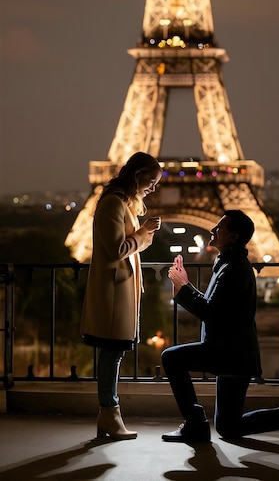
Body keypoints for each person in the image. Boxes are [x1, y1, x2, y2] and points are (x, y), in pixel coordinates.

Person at [161, 210, 279, 446]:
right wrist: (185, 287)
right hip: (234, 353)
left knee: (171, 358)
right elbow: (216, 307)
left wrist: (184, 288)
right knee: (228, 427)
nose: (213, 229)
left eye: (220, 227)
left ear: (233, 237)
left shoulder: (232, 268)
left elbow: (211, 313)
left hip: (227, 353)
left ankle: (194, 423)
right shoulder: (229, 263)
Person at [80, 152, 162, 440]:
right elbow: (117, 250)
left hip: (119, 288)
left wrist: (143, 234)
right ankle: (109, 413)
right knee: (111, 352)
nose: (152, 188)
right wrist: (143, 233)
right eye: (151, 181)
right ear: (137, 175)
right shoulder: (113, 204)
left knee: (113, 353)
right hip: (113, 291)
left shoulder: (123, 203)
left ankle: (110, 416)